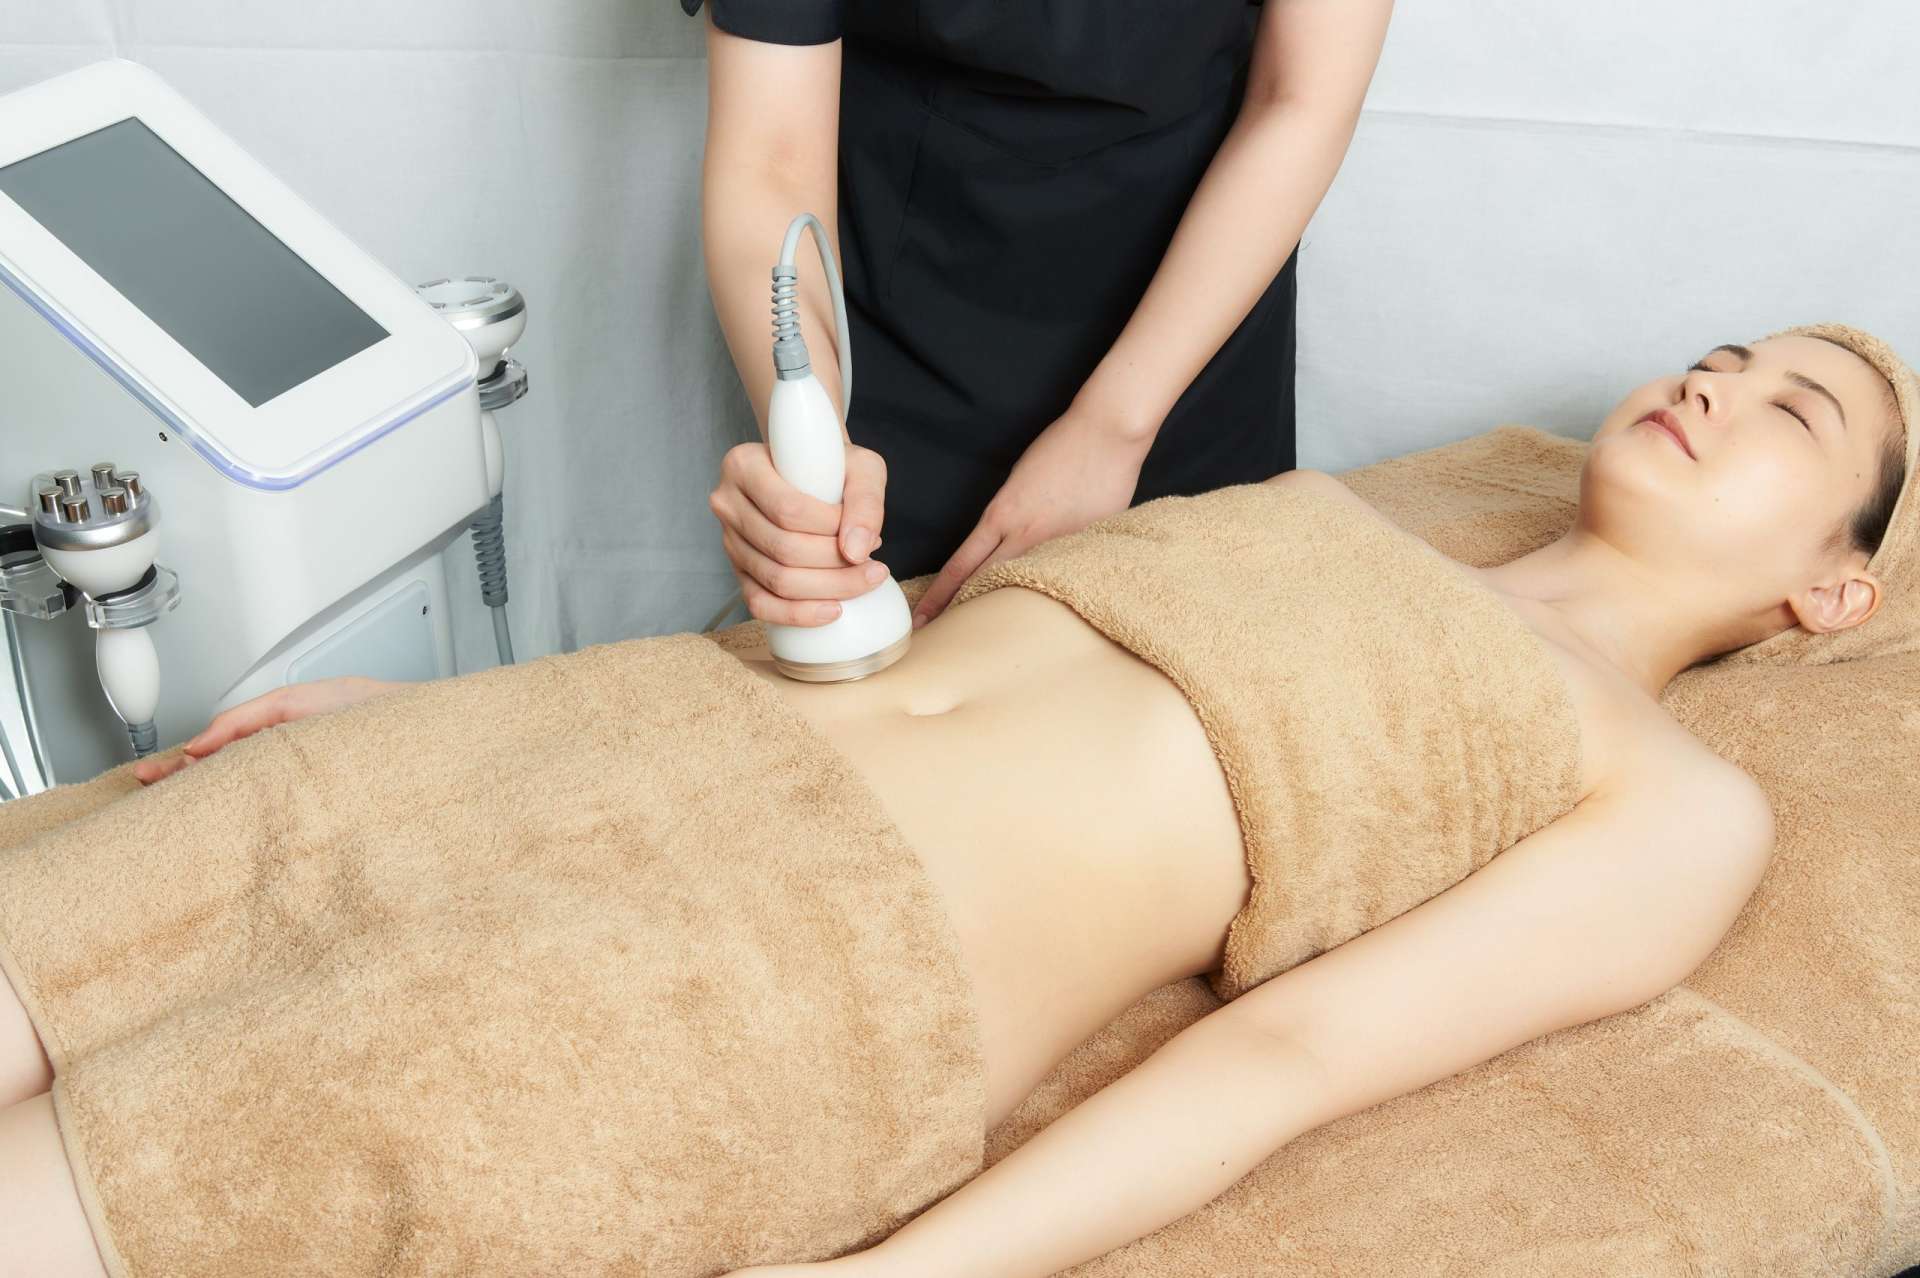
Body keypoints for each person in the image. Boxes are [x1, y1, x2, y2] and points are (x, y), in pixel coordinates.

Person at [1, 325, 1912, 1277]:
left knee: (106, 1192)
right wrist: (452, 721)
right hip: (598, 748)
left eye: (1792, 411)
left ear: (1836, 592)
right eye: (1726, 356)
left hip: (744, 973)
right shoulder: (1330, 509)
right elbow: (889, 659)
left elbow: (1297, 1054)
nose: (1719, 381)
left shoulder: (1669, 799)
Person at [691, 0, 1396, 632]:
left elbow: (1300, 98)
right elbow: (772, 161)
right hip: (902, 379)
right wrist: (813, 443)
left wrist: (1116, 425)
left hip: (1192, 346)